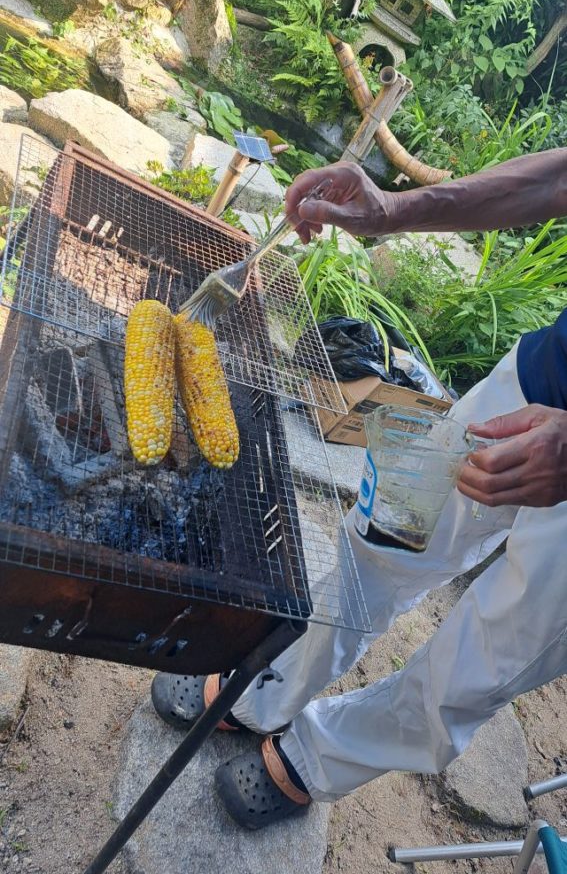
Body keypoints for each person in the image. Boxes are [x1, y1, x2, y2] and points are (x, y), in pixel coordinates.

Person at [151, 148, 567, 830]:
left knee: (483, 663)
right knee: (383, 538)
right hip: (538, 379)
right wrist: (394, 210)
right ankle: (263, 688)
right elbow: (559, 177)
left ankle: (316, 760)